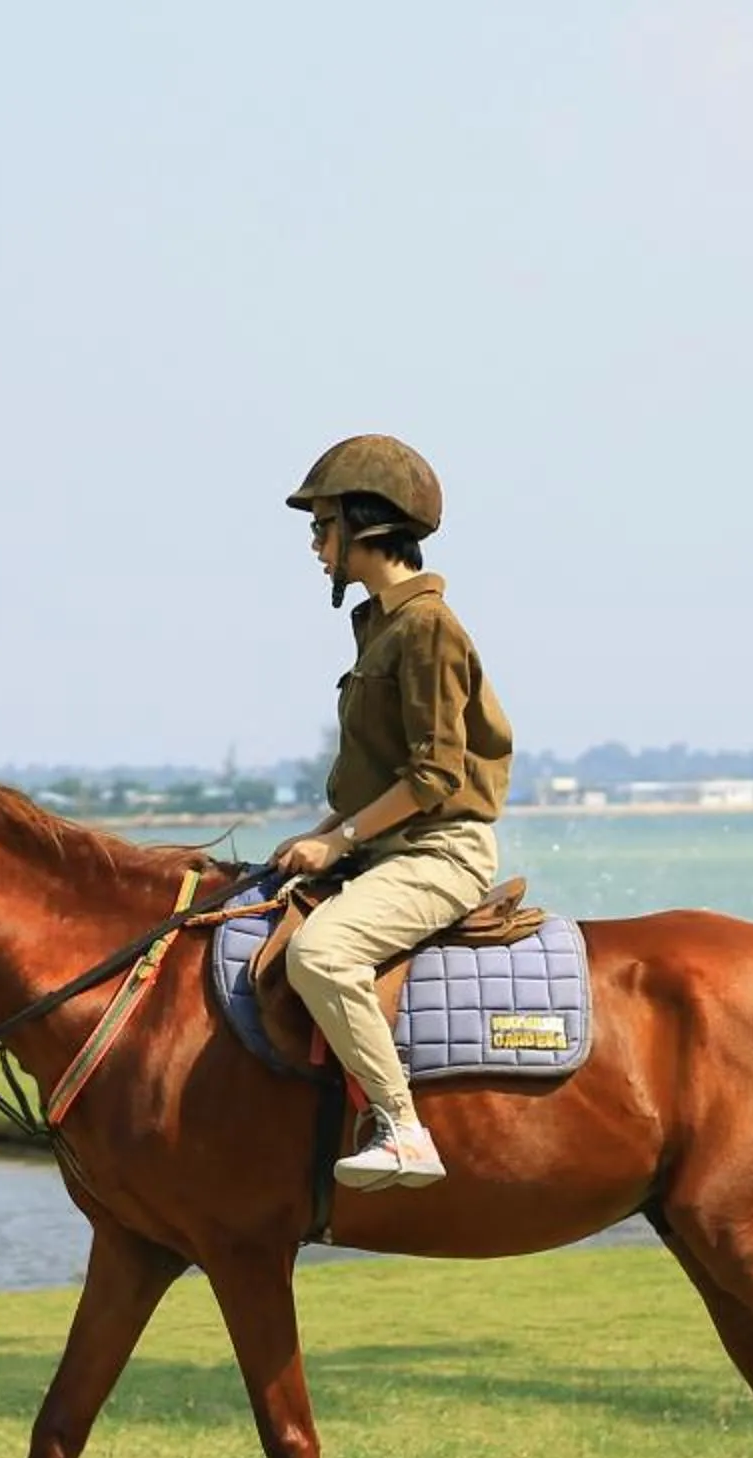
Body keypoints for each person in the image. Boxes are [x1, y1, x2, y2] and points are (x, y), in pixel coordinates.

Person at [273, 434, 514, 1190]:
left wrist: (340, 838)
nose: (315, 546)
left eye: (323, 527)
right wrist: (321, 836)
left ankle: (403, 1129)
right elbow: (378, 777)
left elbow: (435, 775)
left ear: (365, 526)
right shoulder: (379, 625)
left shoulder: (427, 628)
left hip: (439, 855)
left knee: (320, 956)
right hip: (381, 847)